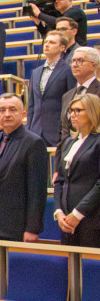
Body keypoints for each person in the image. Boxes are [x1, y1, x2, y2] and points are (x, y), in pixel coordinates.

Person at [0, 94, 49, 242]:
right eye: (2, 110)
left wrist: (32, 228)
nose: (7, 114)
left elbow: (37, 191)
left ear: (23, 114)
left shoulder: (34, 143)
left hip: (18, 228)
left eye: (13, 109)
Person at [54, 94, 100, 247]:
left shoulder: (98, 141)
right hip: (67, 220)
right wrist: (58, 211)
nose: (72, 115)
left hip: (92, 220)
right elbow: (60, 180)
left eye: (78, 110)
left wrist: (78, 213)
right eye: (71, 111)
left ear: (93, 112)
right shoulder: (69, 142)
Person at [28, 31, 76, 146]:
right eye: (46, 42)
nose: (47, 45)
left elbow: (70, 103)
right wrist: (29, 129)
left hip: (57, 132)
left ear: (62, 48)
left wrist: (65, 131)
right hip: (35, 132)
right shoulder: (35, 72)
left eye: (52, 42)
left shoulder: (68, 71)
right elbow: (31, 105)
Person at [58, 46, 100, 145]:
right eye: (73, 61)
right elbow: (64, 130)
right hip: (69, 149)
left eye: (80, 61)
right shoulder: (67, 96)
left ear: (94, 65)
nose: (74, 65)